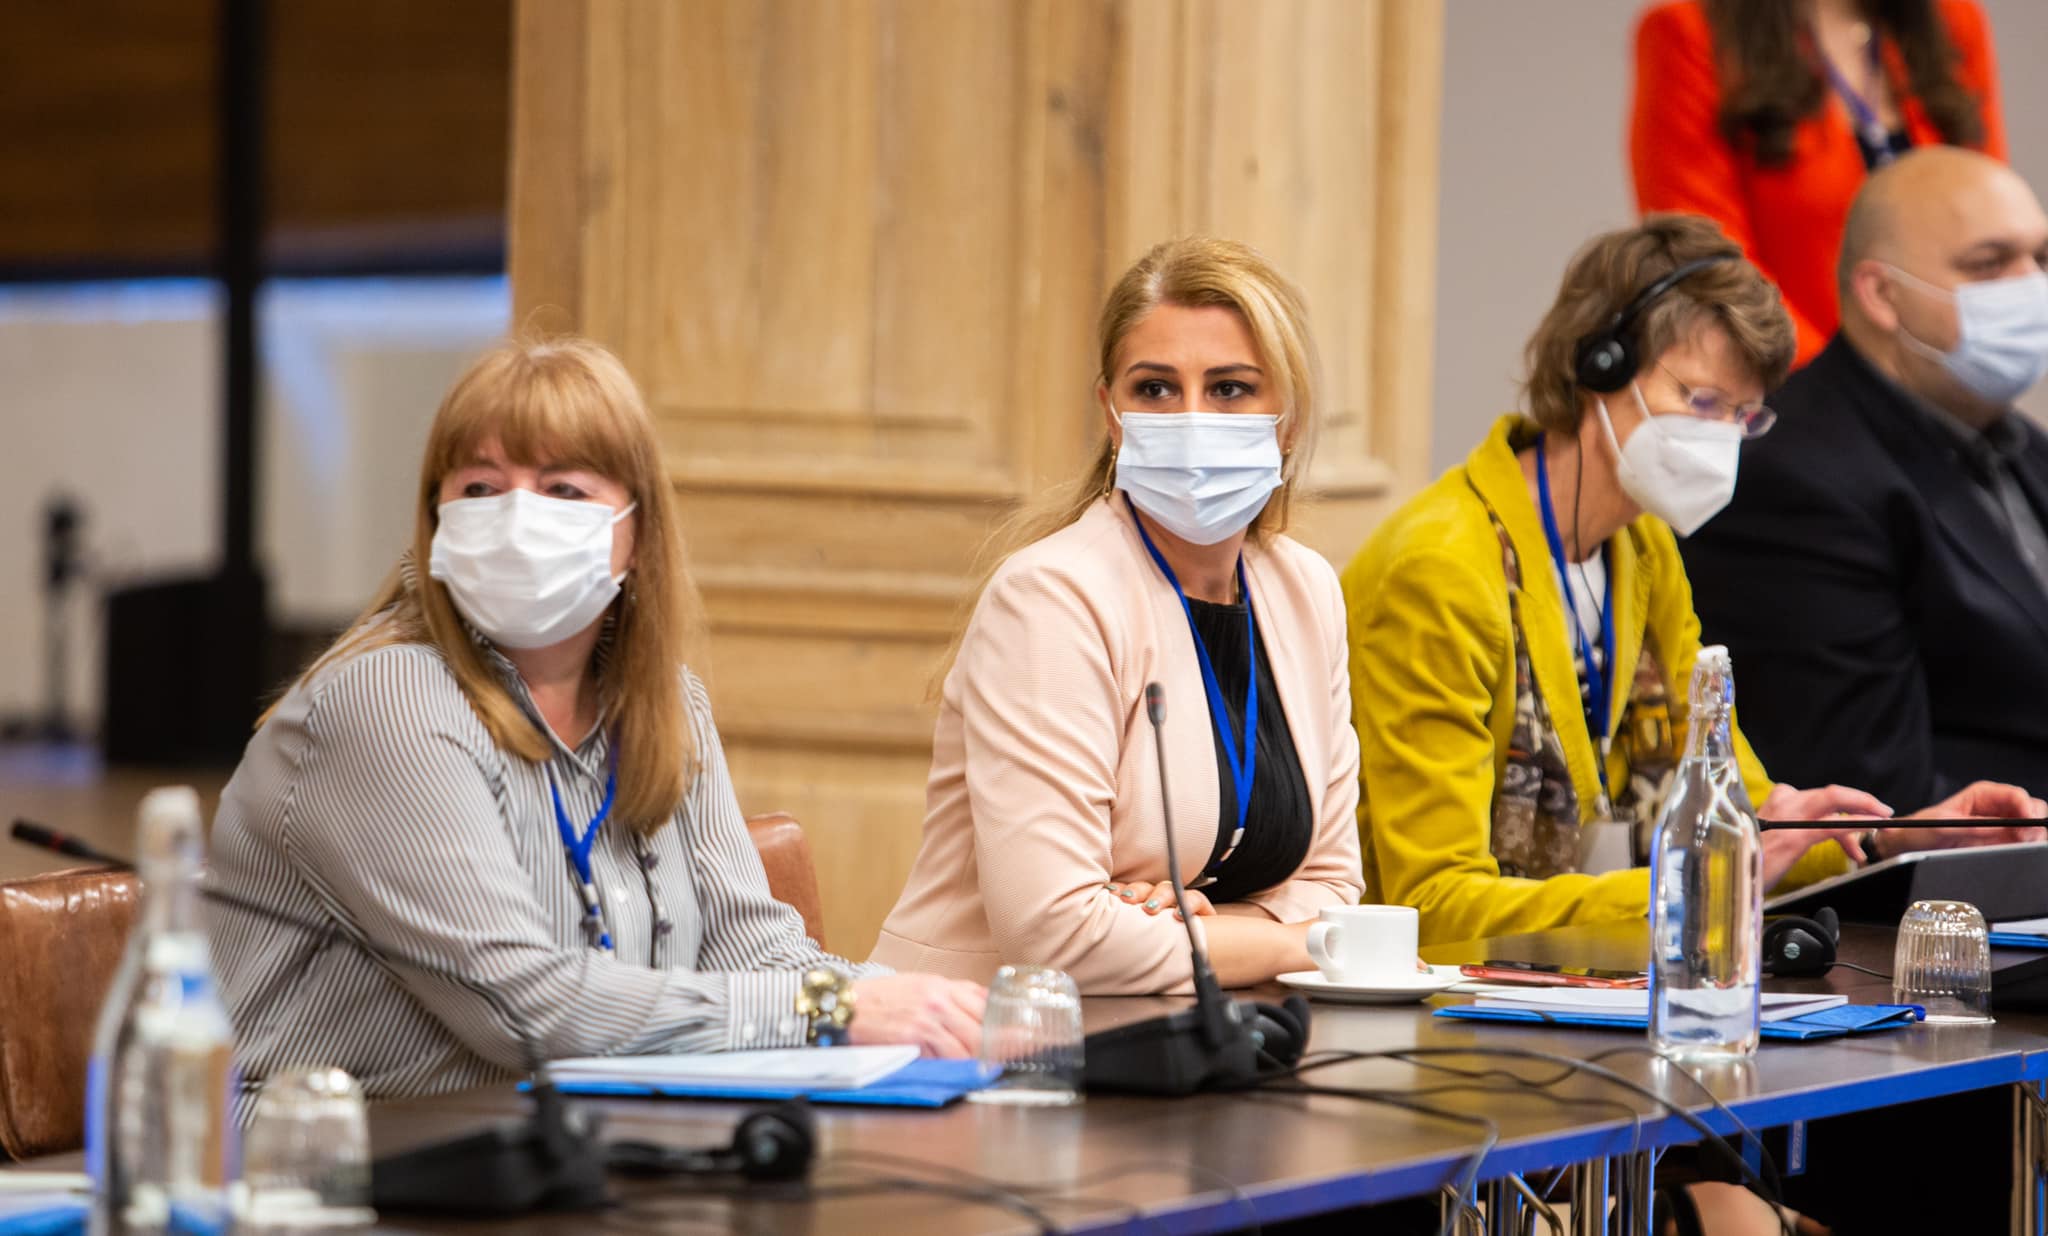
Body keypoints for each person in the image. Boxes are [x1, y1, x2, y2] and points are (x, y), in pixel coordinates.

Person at [207, 337, 986, 1108]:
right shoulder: (385, 699)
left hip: (560, 1142)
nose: (517, 518)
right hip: (332, 1155)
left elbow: (753, 952)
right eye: (480, 488)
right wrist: (830, 1011)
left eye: (563, 490)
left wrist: (937, 1012)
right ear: (436, 520)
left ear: (638, 534)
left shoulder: (665, 704)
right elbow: (523, 1006)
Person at [1342, 213, 2043, 947]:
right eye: (1702, 403)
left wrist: (1895, 839)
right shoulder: (1437, 567)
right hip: (1438, 994)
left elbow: (1743, 812)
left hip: (1583, 977)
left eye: (1743, 415)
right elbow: (1435, 904)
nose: (1722, 439)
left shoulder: (1642, 546)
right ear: (1599, 368)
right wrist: (1699, 881)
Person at [872, 237, 1365, 993]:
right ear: (1112, 414)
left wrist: (1197, 932)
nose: (1191, 419)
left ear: (1288, 420)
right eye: (1156, 389)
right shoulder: (1051, 597)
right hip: (990, 1034)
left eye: (1230, 389)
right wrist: (1283, 941)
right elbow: (1055, 935)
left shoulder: (1305, 590)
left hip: (1205, 1029)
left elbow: (1332, 885)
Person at [1683, 147, 2048, 810]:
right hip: (1958, 870)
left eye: (2041, 260)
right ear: (1882, 294)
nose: (2029, 287)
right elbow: (1871, 791)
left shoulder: (2022, 447)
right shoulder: (1795, 475)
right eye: (1990, 264)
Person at [1631, 0, 2004, 367]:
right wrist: (1834, 386)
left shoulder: (1952, 18)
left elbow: (1994, 222)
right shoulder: (1690, 31)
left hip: (1957, 375)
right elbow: (1705, 260)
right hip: (1795, 382)